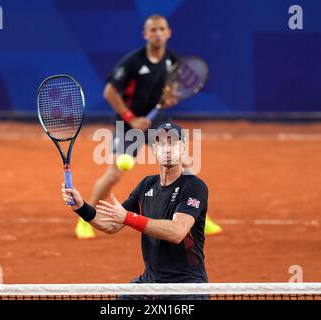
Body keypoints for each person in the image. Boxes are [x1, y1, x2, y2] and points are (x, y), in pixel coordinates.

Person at [74, 14, 222, 239]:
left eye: (162, 29)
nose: (158, 33)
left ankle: (199, 214)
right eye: (153, 30)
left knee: (184, 166)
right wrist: (131, 118)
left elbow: (171, 92)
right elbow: (110, 92)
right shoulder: (133, 61)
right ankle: (85, 219)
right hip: (128, 123)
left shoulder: (173, 59)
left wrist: (170, 98)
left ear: (168, 32)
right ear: (145, 34)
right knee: (114, 174)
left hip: (159, 123)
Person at [62, 123, 209, 288]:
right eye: (161, 143)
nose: (167, 149)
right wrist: (81, 207)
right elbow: (111, 226)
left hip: (185, 286)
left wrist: (128, 217)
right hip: (150, 283)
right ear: (154, 149)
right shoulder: (146, 185)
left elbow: (177, 232)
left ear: (183, 148)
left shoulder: (194, 186)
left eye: (173, 143)